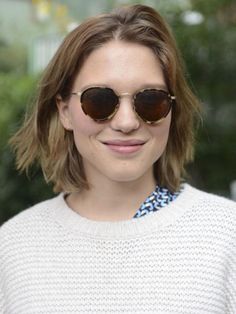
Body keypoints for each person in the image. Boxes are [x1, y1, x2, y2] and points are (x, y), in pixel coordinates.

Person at [0, 4, 235, 313]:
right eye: (99, 100)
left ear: (172, 110)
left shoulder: (227, 237)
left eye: (150, 101)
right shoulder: (12, 249)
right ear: (64, 111)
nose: (126, 122)